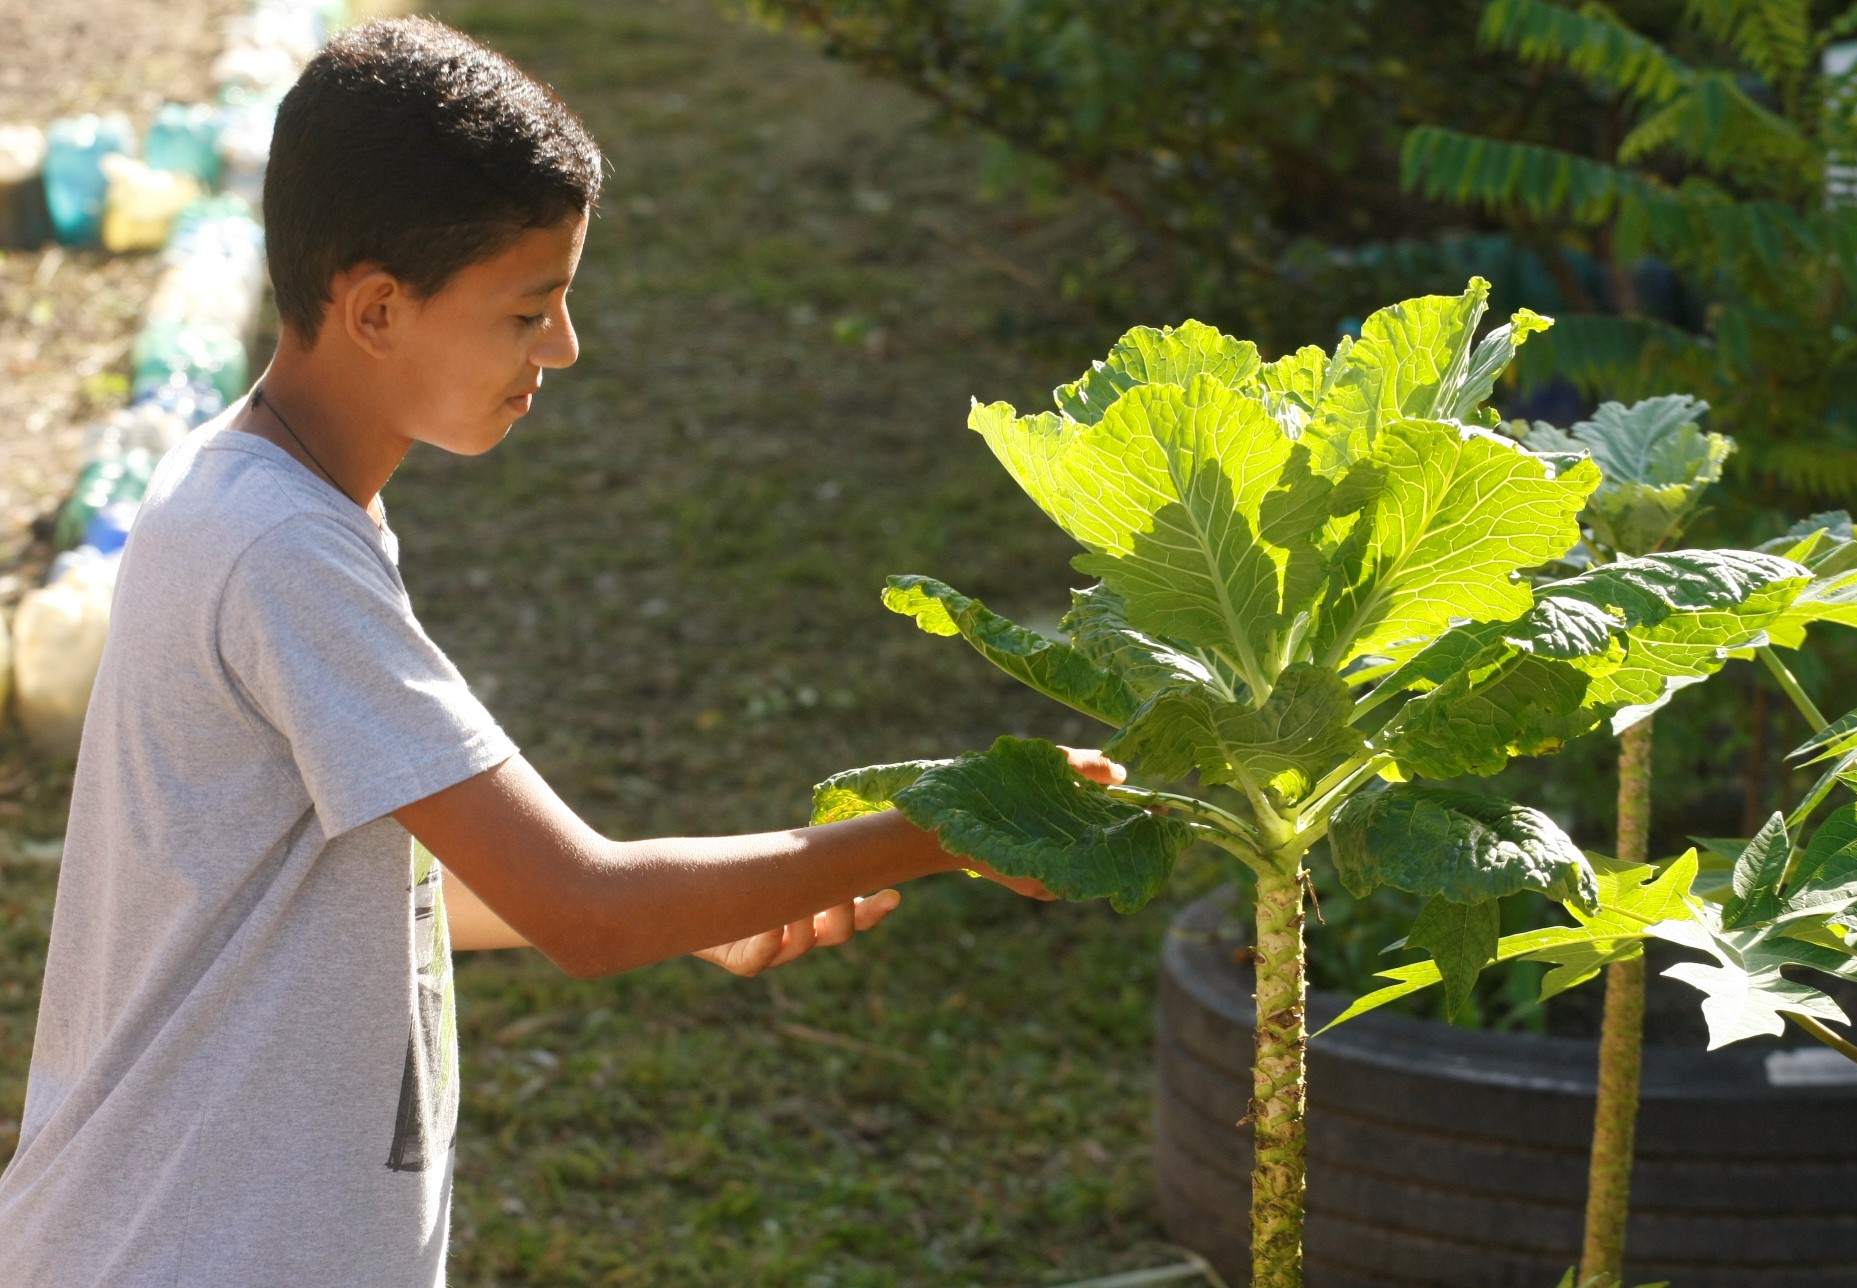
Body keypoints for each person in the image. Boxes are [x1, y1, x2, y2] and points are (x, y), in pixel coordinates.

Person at [0, 17, 1122, 1286]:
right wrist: (958, 822)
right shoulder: (280, 554)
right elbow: (588, 907)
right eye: (530, 310)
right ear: (375, 307)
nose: (565, 348)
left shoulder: (264, 497)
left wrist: (700, 915)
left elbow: (359, 885)